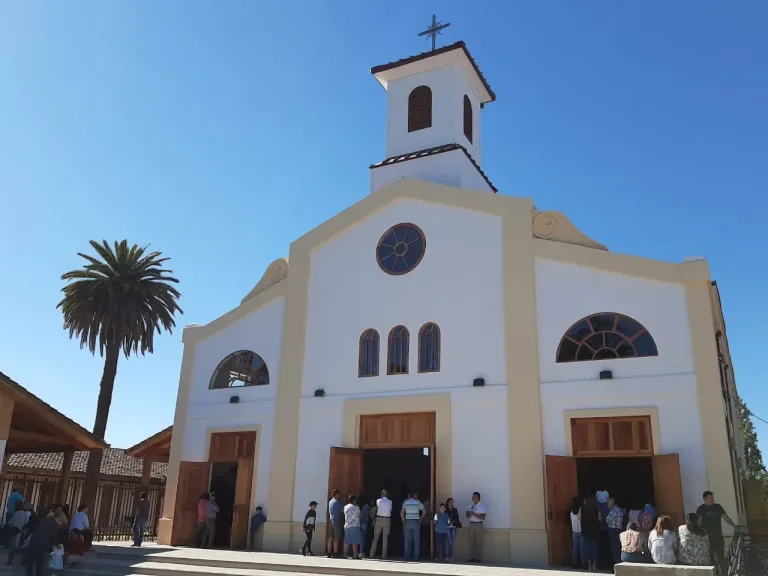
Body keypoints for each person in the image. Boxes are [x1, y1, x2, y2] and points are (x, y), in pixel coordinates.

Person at [696, 491, 735, 575]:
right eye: (710, 497)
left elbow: (725, 517)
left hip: (718, 536)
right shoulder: (700, 509)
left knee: (721, 556)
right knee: (711, 558)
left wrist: (734, 525)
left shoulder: (717, 507)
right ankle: (714, 573)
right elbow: (698, 522)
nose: (712, 499)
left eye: (712, 497)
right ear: (705, 499)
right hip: (707, 537)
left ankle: (725, 573)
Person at [25, 505, 60, 576]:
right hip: (42, 544)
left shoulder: (43, 520)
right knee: (39, 563)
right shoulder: (53, 523)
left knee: (30, 561)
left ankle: (29, 574)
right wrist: (56, 544)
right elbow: (53, 535)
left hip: (34, 541)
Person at [400, 491, 425, 561]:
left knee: (407, 540)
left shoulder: (406, 502)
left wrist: (404, 521)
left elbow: (401, 513)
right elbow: (424, 511)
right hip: (416, 521)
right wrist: (421, 519)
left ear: (409, 496)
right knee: (416, 540)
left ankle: (407, 556)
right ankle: (416, 557)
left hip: (408, 521)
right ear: (414, 496)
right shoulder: (418, 502)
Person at [580, 496, 601, 572]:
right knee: (594, 548)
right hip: (594, 531)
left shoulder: (582, 509)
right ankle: (594, 566)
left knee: (587, 549)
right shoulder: (596, 509)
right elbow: (600, 519)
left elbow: (579, 518)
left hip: (585, 530)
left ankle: (589, 566)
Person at [369, 489, 392, 559]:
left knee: (375, 538)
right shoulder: (390, 502)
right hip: (387, 519)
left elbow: (378, 507)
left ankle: (371, 554)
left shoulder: (378, 501)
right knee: (385, 539)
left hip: (379, 519)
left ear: (382, 494)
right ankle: (384, 555)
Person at [466, 491, 487, 563]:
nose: (472, 498)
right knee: (471, 542)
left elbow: (483, 517)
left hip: (478, 524)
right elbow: (467, 515)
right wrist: (469, 514)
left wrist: (474, 514)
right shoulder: (470, 505)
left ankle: (479, 558)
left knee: (479, 542)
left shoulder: (482, 506)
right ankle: (472, 557)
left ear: (477, 497)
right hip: (471, 524)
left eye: (473, 496)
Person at [6, 501, 27, 565]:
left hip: (14, 531)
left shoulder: (17, 513)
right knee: (21, 546)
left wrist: (7, 524)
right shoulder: (24, 513)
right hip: (21, 531)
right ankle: (23, 561)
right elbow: (25, 522)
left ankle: (9, 561)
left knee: (12, 547)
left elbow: (11, 522)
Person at [605, 497, 625, 565]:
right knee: (617, 547)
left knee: (614, 548)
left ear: (613, 503)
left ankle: (616, 564)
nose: (607, 503)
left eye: (609, 502)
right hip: (618, 530)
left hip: (613, 531)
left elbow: (608, 520)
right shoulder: (619, 509)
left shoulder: (614, 511)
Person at [343, 494, 362, 559]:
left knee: (346, 542)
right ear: (354, 500)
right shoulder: (357, 508)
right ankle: (355, 555)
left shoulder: (345, 507)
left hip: (347, 526)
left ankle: (345, 554)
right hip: (355, 526)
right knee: (355, 542)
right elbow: (360, 516)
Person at [327, 489, 343, 558]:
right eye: (339, 495)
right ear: (336, 494)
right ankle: (335, 553)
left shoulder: (330, 502)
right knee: (336, 538)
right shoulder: (338, 502)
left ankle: (329, 552)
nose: (339, 496)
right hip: (337, 521)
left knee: (330, 537)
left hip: (331, 520)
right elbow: (342, 511)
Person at [445, 498, 461, 562]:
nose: (452, 503)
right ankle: (450, 557)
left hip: (454, 527)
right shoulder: (446, 510)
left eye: (452, 502)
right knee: (449, 542)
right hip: (448, 527)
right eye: (450, 502)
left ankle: (449, 556)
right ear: (447, 502)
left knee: (451, 542)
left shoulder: (454, 510)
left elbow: (457, 517)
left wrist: (454, 521)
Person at [569, 497, 583, 568]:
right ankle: (582, 562)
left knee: (575, 548)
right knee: (582, 548)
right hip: (581, 531)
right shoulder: (581, 511)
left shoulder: (571, 512)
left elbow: (571, 521)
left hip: (574, 531)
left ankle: (574, 563)